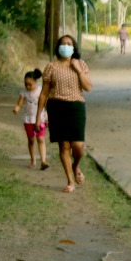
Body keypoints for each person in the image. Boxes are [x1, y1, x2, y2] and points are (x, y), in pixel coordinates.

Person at [37, 34, 92, 193]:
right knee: (64, 146)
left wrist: (78, 70)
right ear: (58, 47)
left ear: (74, 48)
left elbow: (88, 87)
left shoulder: (81, 64)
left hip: (76, 107)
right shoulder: (51, 67)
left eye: (69, 44)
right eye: (63, 44)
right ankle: (70, 181)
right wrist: (38, 115)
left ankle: (75, 166)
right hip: (57, 107)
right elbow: (43, 93)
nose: (66, 46)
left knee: (78, 146)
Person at [12, 69, 48, 168]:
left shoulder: (41, 90)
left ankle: (43, 161)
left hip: (40, 118)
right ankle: (33, 161)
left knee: (40, 139)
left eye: (30, 84)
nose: (28, 86)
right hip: (28, 119)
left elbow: (46, 104)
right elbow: (20, 103)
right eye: (26, 84)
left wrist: (47, 116)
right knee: (31, 140)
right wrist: (17, 108)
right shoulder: (24, 92)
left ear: (36, 82)